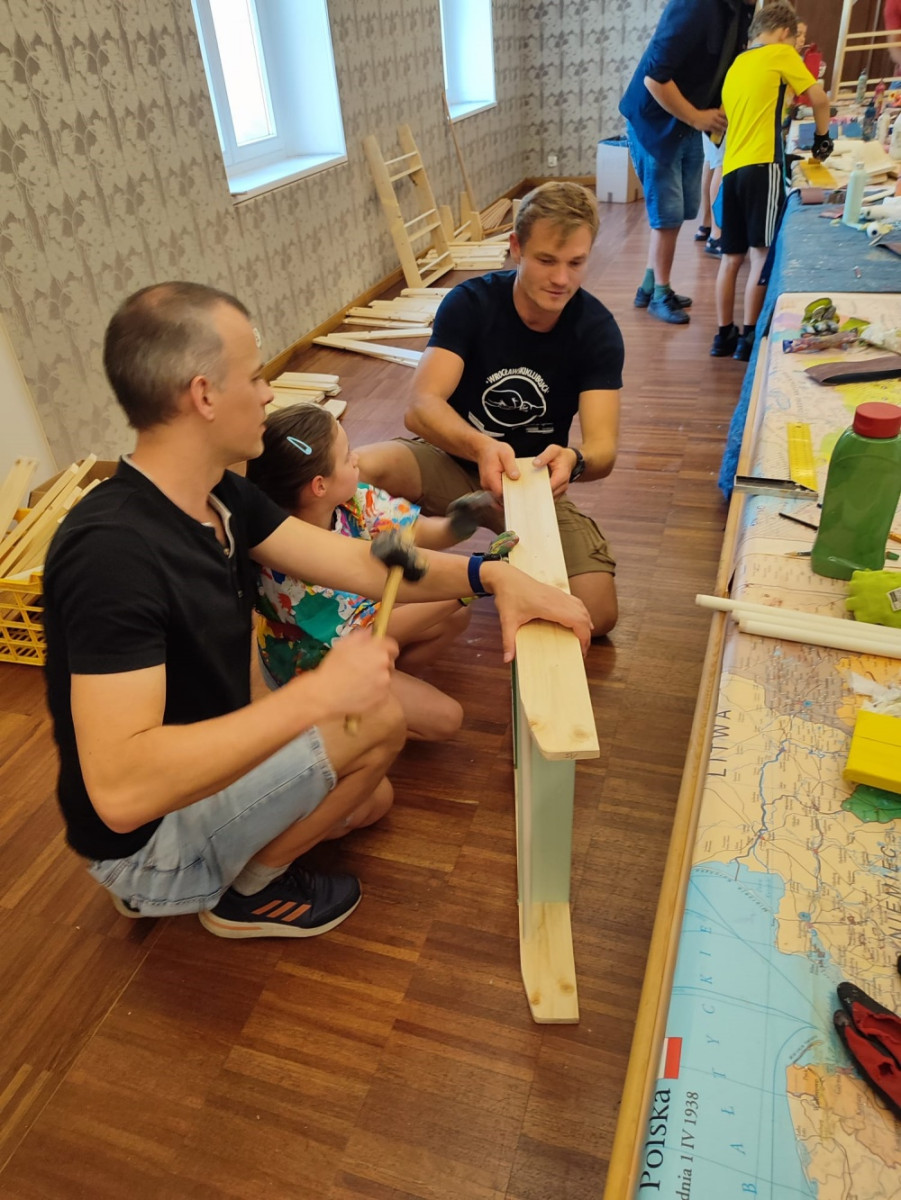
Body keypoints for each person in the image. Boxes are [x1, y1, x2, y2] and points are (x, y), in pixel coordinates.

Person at [41, 282, 592, 941]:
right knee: (377, 724)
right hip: (147, 843)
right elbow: (122, 792)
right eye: (255, 375)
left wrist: (490, 575)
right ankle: (244, 892)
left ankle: (229, 860)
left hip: (203, 765)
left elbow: (359, 563)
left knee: (372, 797)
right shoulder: (112, 555)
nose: (267, 393)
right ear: (204, 395)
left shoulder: (219, 497)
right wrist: (317, 696)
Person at [355, 181, 623, 637]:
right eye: (546, 260)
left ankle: (487, 558)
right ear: (516, 247)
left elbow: (603, 450)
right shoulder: (471, 303)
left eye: (576, 263)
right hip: (451, 459)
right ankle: (351, 582)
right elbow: (421, 407)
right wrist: (480, 447)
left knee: (597, 613)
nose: (562, 279)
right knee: (360, 467)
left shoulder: (597, 331)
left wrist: (574, 460)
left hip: (528, 482)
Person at [245, 401, 485, 741]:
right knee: (446, 720)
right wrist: (468, 588)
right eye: (347, 456)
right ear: (319, 486)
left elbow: (414, 531)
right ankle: (340, 723)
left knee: (452, 616)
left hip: (362, 620)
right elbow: (370, 635)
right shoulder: (286, 576)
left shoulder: (351, 499)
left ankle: (385, 685)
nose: (356, 458)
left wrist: (455, 526)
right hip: (319, 662)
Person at [619, 0, 756, 325]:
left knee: (680, 211)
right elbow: (654, 78)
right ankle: (660, 294)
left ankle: (650, 286)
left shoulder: (740, 10)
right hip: (656, 122)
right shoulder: (695, 5)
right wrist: (696, 117)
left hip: (687, 120)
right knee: (667, 214)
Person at [710, 1, 832, 362]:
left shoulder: (737, 64)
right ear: (783, 33)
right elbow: (819, 99)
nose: (796, 48)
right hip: (763, 167)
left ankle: (723, 336)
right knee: (761, 254)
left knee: (730, 258)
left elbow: (729, 122)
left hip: (731, 169)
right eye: (795, 41)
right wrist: (823, 138)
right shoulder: (780, 53)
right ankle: (748, 337)